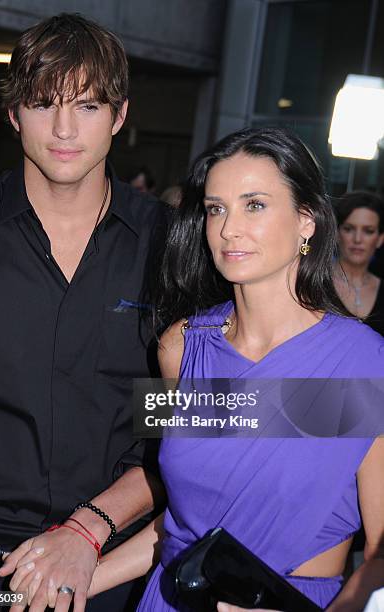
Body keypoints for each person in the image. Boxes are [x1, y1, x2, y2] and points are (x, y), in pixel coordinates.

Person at [57, 127, 382, 611]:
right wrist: (69, 582)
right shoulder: (178, 347)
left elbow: (378, 552)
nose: (229, 229)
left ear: (306, 220)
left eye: (254, 205)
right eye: (216, 208)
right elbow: (176, 518)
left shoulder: (363, 362)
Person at [0, 13, 165, 612]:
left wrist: (90, 527)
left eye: (88, 106)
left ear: (120, 116)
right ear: (12, 114)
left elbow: (191, 418)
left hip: (113, 553)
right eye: (43, 103)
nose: (63, 128)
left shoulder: (173, 247)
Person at [334, 191, 384, 335]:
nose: (357, 239)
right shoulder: (314, 285)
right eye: (349, 229)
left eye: (368, 231)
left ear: (380, 238)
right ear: (337, 233)